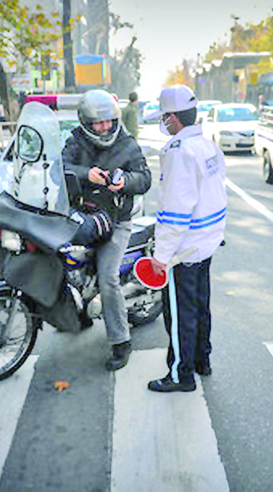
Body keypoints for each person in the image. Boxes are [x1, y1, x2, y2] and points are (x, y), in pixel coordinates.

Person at [145, 85, 227, 393]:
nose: (163, 122)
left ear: (174, 119)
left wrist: (161, 256)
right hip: (206, 241)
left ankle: (181, 374)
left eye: (165, 117)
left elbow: (177, 209)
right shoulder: (207, 146)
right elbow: (218, 192)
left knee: (180, 314)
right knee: (200, 305)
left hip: (185, 247)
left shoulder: (179, 152)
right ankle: (201, 360)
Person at [62, 90, 152, 371]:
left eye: (108, 122)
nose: (103, 128)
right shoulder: (76, 140)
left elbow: (145, 178)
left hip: (117, 220)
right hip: (80, 214)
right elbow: (58, 166)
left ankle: (120, 340)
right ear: (85, 122)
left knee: (108, 277)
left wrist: (124, 180)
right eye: (96, 124)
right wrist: (83, 173)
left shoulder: (127, 143)